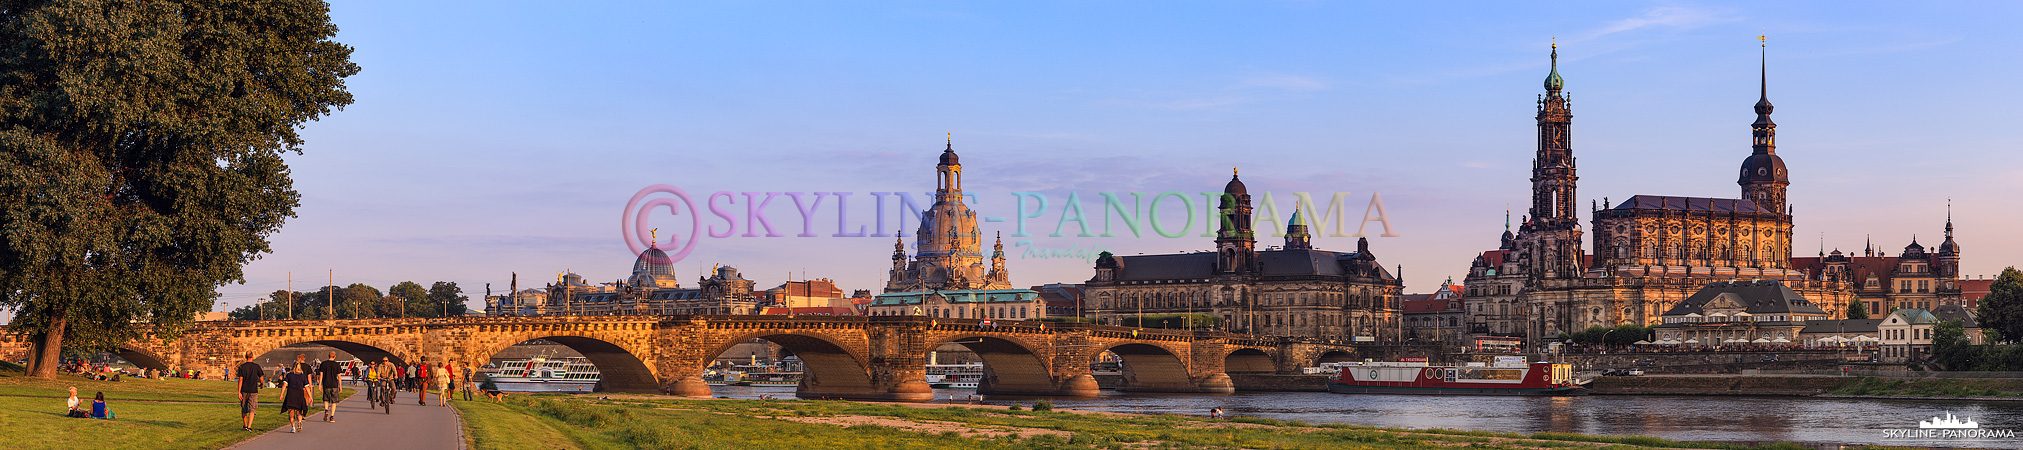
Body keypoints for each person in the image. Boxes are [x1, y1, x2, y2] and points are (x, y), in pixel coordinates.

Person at [236, 351, 263, 431]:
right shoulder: (256, 366)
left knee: (244, 407)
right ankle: (249, 426)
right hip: (253, 390)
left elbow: (240, 380)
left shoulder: (242, 367)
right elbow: (261, 377)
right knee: (252, 408)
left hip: (244, 390)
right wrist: (261, 384)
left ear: (245, 357)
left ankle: (244, 425)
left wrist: (239, 391)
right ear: (252, 356)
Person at [280, 363, 310, 432]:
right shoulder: (302, 376)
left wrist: (281, 394)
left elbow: (284, 385)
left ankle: (293, 427)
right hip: (299, 394)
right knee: (299, 410)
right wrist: (310, 396)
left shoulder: (289, 375)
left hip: (291, 394)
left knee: (291, 411)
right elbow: (306, 387)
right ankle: (299, 421)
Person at [316, 351, 343, 422]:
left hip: (326, 384)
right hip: (334, 385)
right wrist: (340, 386)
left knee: (326, 399)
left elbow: (321, 375)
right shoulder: (337, 365)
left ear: (328, 356)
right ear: (335, 356)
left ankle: (326, 410)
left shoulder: (323, 364)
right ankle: (332, 417)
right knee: (334, 401)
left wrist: (319, 385)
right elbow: (339, 377)